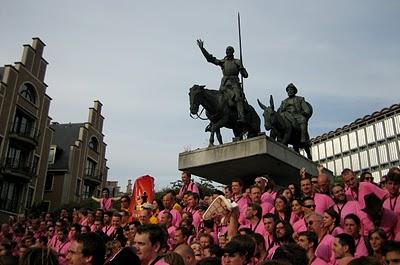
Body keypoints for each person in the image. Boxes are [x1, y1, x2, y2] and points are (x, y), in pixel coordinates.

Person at [197, 39, 248, 123]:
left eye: (229, 50)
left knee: (238, 98)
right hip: (224, 85)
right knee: (217, 101)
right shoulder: (223, 62)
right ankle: (213, 121)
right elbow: (211, 59)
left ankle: (241, 117)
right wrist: (202, 49)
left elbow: (245, 75)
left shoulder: (237, 61)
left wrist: (242, 69)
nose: (228, 52)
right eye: (227, 50)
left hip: (234, 84)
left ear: (232, 52)